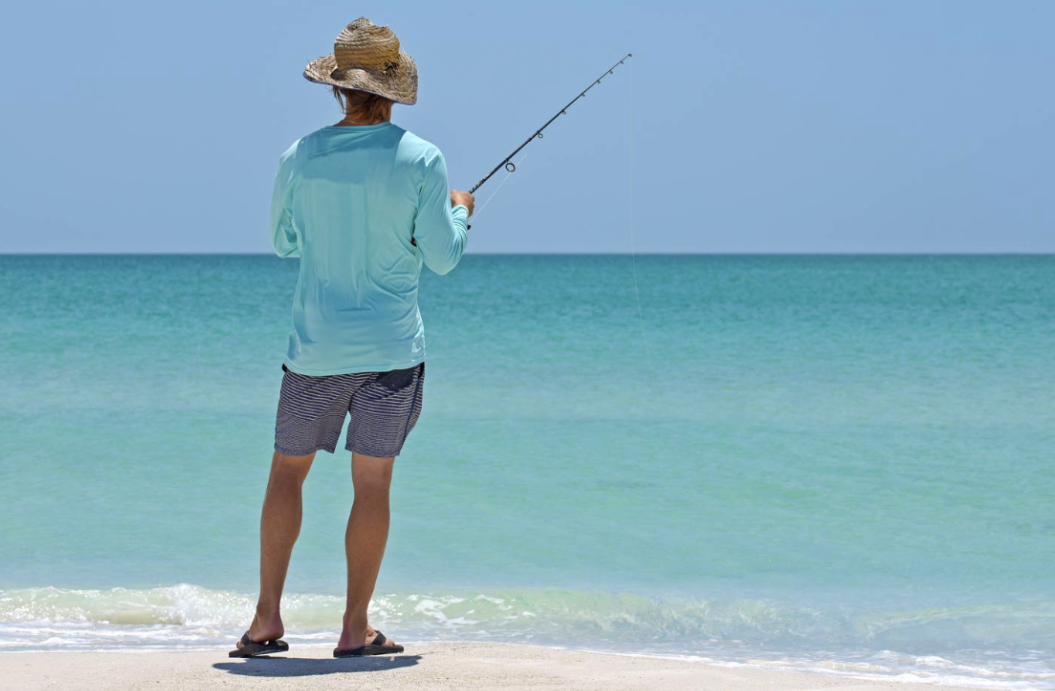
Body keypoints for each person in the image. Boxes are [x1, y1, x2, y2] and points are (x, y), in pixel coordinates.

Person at [230, 17, 474, 659]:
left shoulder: (301, 155)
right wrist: (460, 212)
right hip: (393, 350)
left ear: (338, 87)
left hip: (314, 349)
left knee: (287, 474)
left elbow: (283, 244)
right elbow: (444, 259)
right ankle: (353, 627)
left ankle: (265, 621)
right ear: (392, 87)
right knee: (373, 486)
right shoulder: (422, 158)